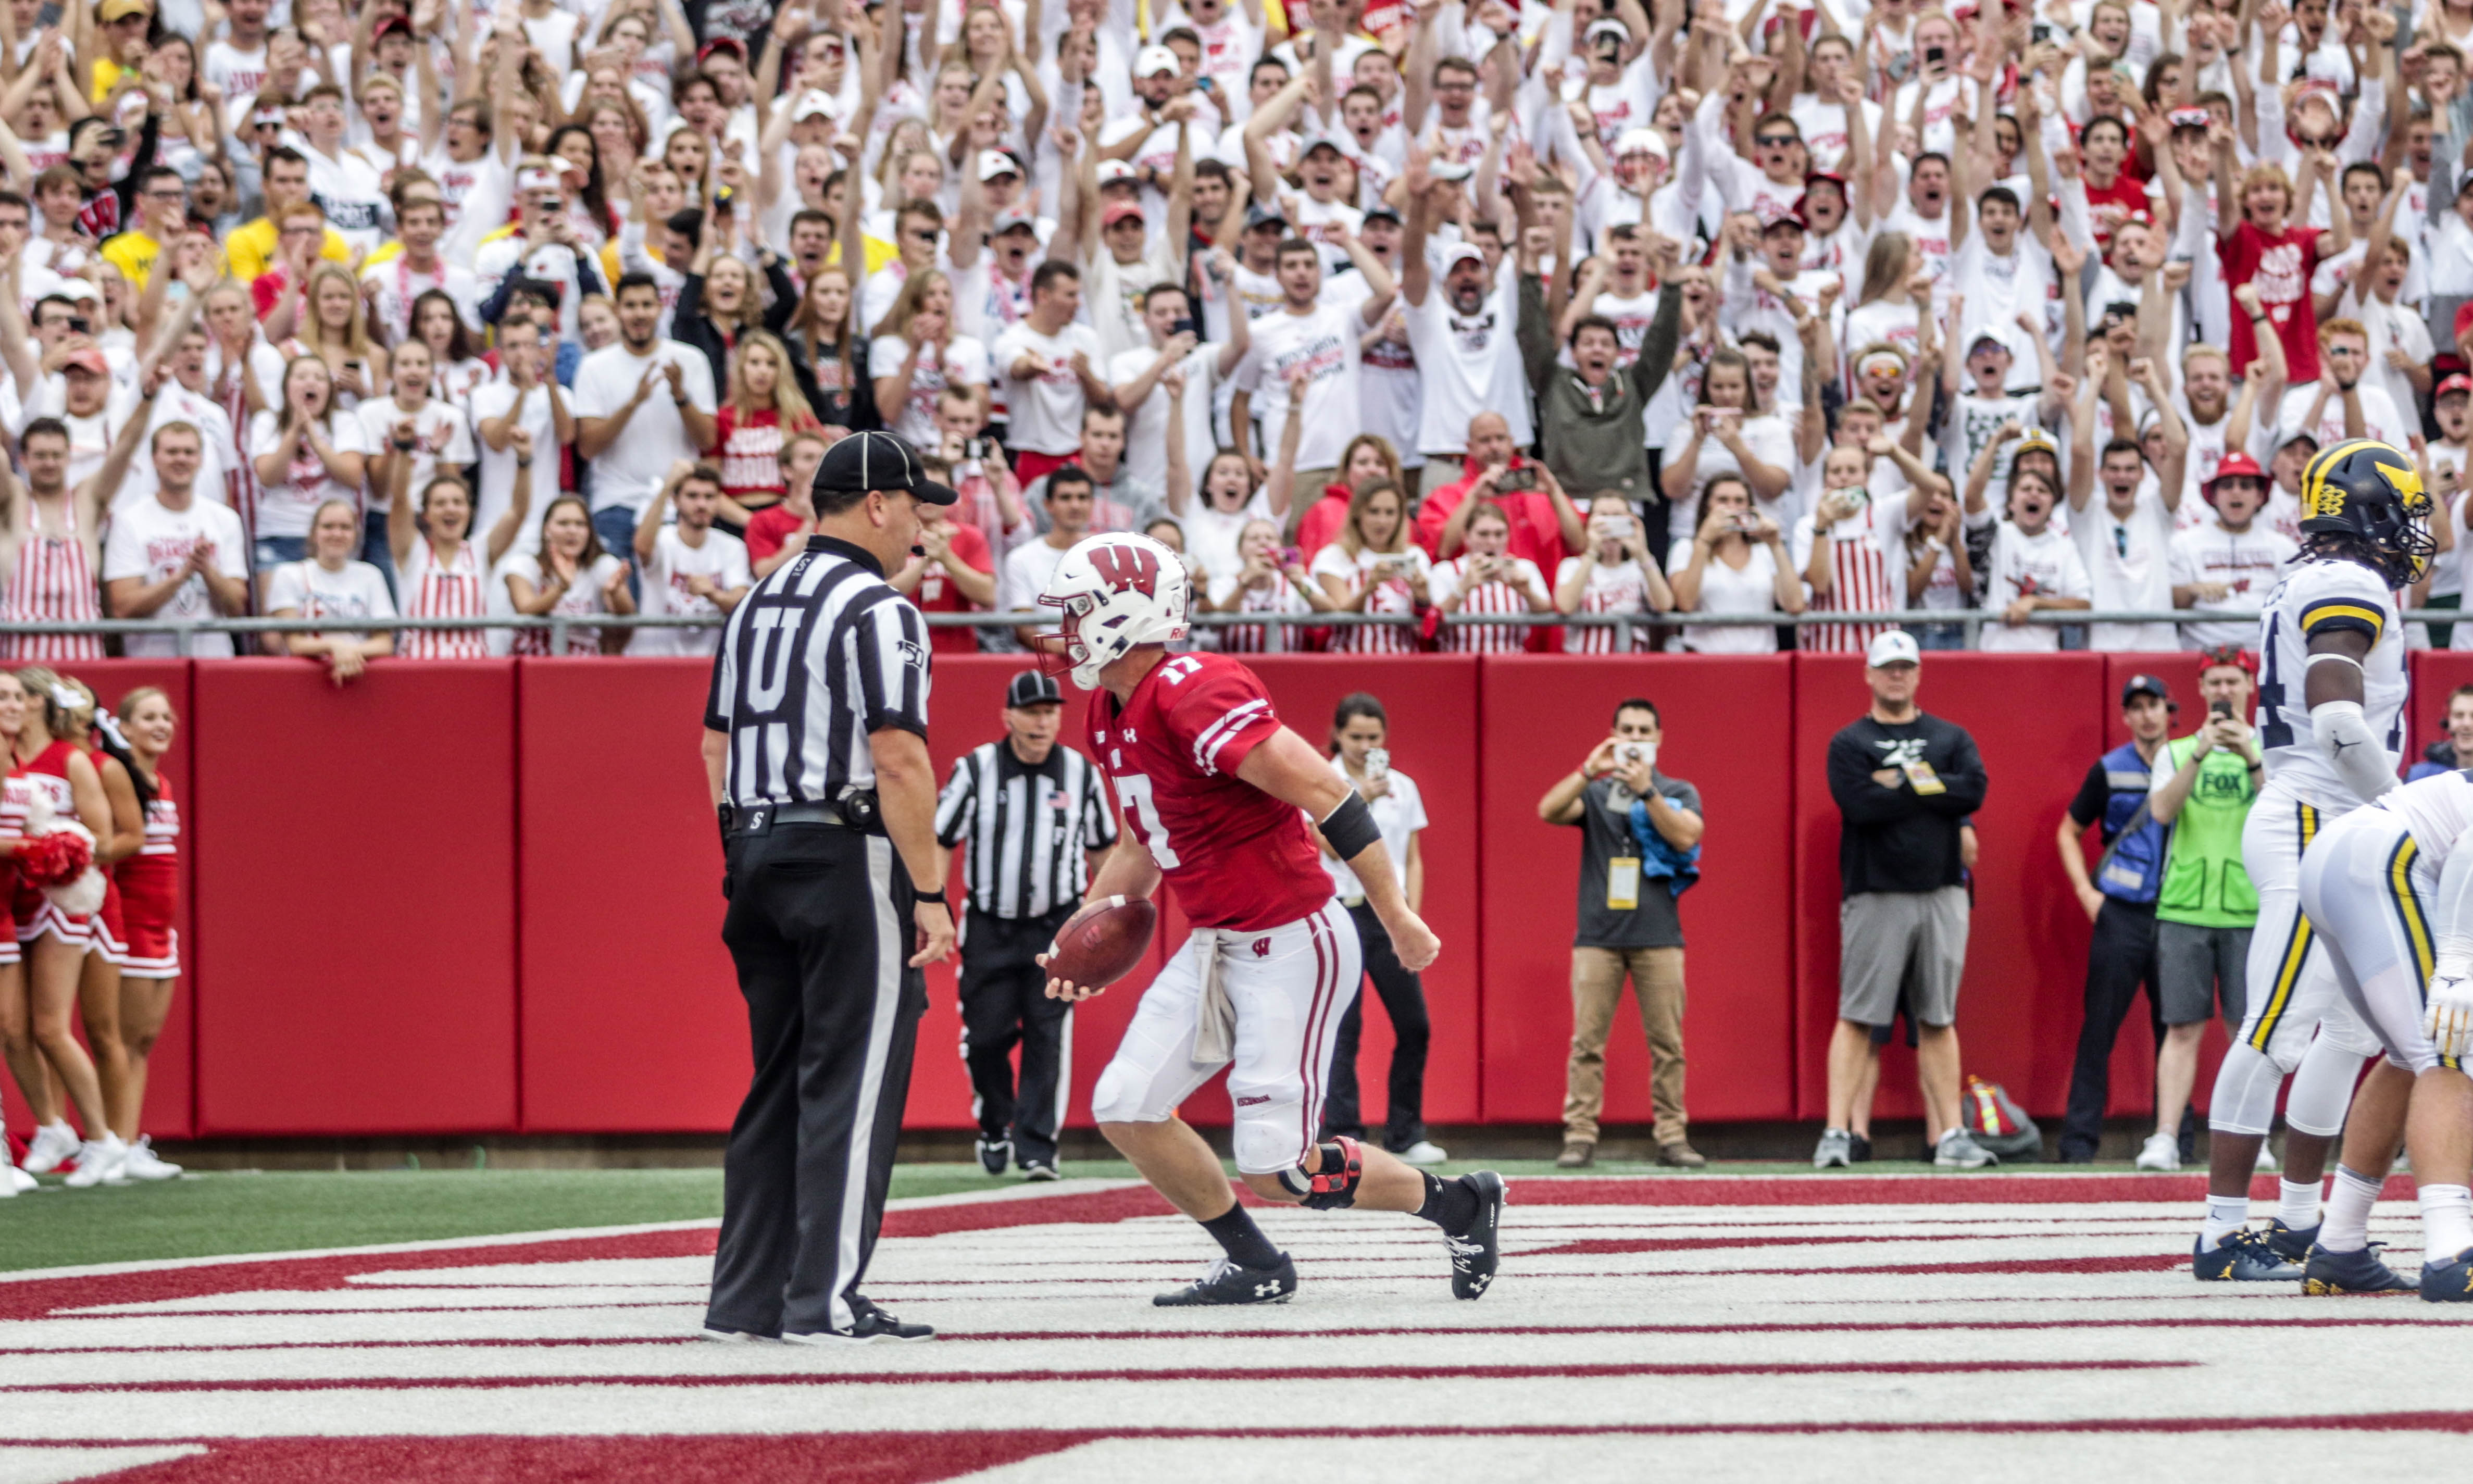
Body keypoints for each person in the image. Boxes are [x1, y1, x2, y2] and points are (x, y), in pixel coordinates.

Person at [1037, 531, 1503, 1307]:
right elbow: (1139, 846)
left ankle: (1461, 1204)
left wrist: (1396, 914)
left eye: (1078, 610)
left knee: (1277, 1166)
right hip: (1216, 941)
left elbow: (1331, 795)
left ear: (1126, 615)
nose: (1064, 626)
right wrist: (1079, 938)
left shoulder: (1194, 690)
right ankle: (1256, 1262)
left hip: (1294, 940)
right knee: (1125, 1103)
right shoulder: (1107, 710)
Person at [700, 430, 957, 1345]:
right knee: (851, 1080)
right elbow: (897, 753)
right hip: (847, 851)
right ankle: (826, 1298)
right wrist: (929, 888)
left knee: (776, 1079)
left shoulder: (757, 600)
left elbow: (715, 745)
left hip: (758, 845)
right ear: (875, 504)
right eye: (916, 506)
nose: (924, 526)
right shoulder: (879, 609)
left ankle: (747, 1298)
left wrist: (740, 851)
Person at [2192, 440, 2427, 1282]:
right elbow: (2335, 718)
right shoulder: (2348, 581)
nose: (2412, 526)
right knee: (2275, 1025)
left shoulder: (2321, 575)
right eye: (2402, 506)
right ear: (2368, 505)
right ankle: (2219, 1234)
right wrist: (2399, 805)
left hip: (2329, 819)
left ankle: (2299, 1220)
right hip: (2312, 818)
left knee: (2350, 1027)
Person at [932, 670, 1117, 1182]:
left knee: (1046, 1034)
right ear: (1008, 715)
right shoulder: (976, 769)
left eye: (1050, 711)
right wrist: (931, 905)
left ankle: (1037, 1147)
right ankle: (995, 1123)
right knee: (986, 1036)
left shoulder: (1080, 773)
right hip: (990, 925)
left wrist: (1103, 918)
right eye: (1031, 711)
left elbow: (1104, 848)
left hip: (1055, 927)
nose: (1041, 721)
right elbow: (940, 836)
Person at [1818, 631, 1991, 1170]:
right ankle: (1836, 1132)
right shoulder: (1849, 741)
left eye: (1904, 666)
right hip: (1875, 891)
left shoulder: (1949, 734)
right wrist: (1932, 788)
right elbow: (1857, 803)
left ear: (1917, 674)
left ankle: (1952, 1135)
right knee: (1856, 1014)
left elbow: (1974, 790)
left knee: (1937, 1016)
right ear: (1868, 674)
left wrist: (1897, 780)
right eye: (1886, 667)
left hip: (1941, 888)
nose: (1896, 675)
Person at [2299, 764, 2473, 1299]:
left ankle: (2340, 1245)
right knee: (2450, 1047)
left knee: (2408, 1054)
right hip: (2383, 861)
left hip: (2340, 861)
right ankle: (2449, 1253)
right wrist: (2458, 963)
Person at [1535, 697, 1707, 1171]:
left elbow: (1686, 836)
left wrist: (1648, 792)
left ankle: (1673, 1137)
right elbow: (1548, 809)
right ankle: (1580, 1135)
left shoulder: (1676, 789)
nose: (1635, 738)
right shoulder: (1596, 791)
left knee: (1668, 1044)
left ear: (1659, 738)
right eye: (1627, 730)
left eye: (1644, 730)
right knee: (1587, 1043)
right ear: (1614, 734)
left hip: (1660, 936)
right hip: (1598, 936)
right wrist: (1588, 769)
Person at [2142, 649, 2265, 1173]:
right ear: (2199, 689)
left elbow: (2282, 812)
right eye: (2213, 681)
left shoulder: (2270, 750)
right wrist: (2199, 752)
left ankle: (2251, 1137)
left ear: (2248, 685)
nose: (2223, 690)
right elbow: (2160, 810)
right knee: (2181, 1028)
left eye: (2231, 680)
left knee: (2248, 1030)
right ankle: (2165, 1136)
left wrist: (2251, 758)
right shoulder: (2174, 751)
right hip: (2185, 906)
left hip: (2247, 906)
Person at [2052, 675, 2180, 1164]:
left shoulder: (2192, 760)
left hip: (2175, 911)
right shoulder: (2110, 768)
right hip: (2121, 912)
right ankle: (2078, 1145)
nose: (2147, 715)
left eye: (2155, 705)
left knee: (2177, 1031)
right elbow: (2069, 830)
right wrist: (2086, 892)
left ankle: (2177, 1140)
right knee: (2099, 1029)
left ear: (2169, 711)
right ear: (2126, 716)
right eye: (2138, 707)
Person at [6, 666, 122, 1188]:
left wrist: (58, 847)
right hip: (16, 900)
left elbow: (101, 835)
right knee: (15, 1028)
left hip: (61, 900)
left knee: (51, 1025)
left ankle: (103, 1139)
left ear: (35, 703)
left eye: (17, 697)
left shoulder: (71, 758)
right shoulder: (10, 758)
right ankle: (53, 1127)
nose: (11, 706)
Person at [1317, 694, 1444, 1167]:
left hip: (1385, 914)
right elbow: (1326, 849)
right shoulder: (1322, 781)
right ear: (1337, 735)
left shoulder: (1404, 787)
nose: (1364, 746)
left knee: (1415, 1024)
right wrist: (1359, 798)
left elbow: (1411, 856)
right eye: (1355, 737)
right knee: (1345, 1027)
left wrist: (1409, 916)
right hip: (1339, 909)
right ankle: (1345, 1133)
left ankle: (1406, 1132)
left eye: (1373, 737)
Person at [575, 272, 721, 566]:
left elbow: (707, 439)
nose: (639, 314)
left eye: (646, 305)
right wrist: (634, 402)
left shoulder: (690, 360)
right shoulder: (594, 366)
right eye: (630, 306)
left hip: (676, 506)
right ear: (617, 311)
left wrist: (680, 394)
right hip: (614, 503)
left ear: (659, 308)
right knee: (620, 603)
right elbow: (587, 447)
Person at [104, 687, 181, 1181]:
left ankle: (130, 1142)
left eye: (167, 716)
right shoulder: (120, 780)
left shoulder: (163, 781)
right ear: (124, 727)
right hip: (130, 924)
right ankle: (113, 1141)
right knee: (124, 1039)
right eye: (149, 716)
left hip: (162, 928)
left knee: (145, 1040)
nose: (162, 723)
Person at [101, 423, 253, 660]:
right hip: (150, 661)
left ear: (201, 459)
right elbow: (123, 607)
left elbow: (236, 606)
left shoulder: (225, 519)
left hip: (213, 659)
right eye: (172, 452)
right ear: (154, 459)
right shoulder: (129, 520)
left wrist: (207, 570)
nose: (181, 459)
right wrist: (181, 576)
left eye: (189, 452)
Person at [266, 500, 398, 685]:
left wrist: (349, 653)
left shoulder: (371, 575)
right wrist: (335, 647)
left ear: (356, 535)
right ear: (314, 533)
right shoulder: (288, 574)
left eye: (345, 527)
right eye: (328, 527)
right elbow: (295, 643)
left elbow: (385, 643)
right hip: (303, 680)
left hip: (360, 678)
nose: (337, 534)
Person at [632, 463, 753, 657]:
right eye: (692, 496)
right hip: (655, 659)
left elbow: (740, 601)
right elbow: (642, 548)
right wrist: (666, 488)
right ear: (676, 500)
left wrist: (714, 594)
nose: (701, 504)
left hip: (708, 663)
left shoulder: (732, 546)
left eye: (709, 497)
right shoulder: (662, 539)